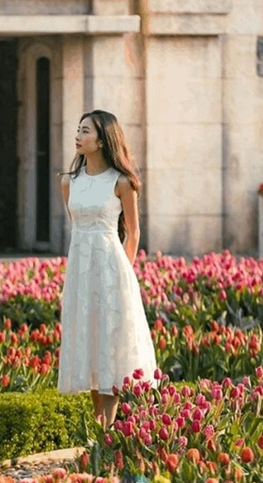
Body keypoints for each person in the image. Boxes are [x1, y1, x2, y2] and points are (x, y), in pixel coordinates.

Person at [56, 109, 157, 427]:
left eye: (85, 131)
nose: (78, 135)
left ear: (102, 140)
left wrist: (122, 273)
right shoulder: (68, 182)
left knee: (111, 347)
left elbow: (133, 231)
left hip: (112, 270)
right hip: (81, 272)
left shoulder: (122, 182)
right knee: (90, 341)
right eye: (78, 129)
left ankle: (106, 432)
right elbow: (78, 227)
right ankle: (101, 431)